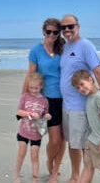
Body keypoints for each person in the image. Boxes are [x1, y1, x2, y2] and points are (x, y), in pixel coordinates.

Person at [60, 14, 100, 183]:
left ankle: (82, 177)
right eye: (64, 28)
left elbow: (98, 72)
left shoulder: (86, 46)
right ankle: (76, 176)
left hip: (79, 107)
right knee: (73, 144)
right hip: (67, 106)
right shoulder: (67, 47)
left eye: (71, 26)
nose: (67, 30)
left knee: (83, 147)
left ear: (78, 26)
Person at [22, 18, 66, 183]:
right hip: (47, 100)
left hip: (67, 99)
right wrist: (25, 97)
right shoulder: (36, 50)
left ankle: (55, 171)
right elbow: (30, 75)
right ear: (43, 32)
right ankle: (49, 161)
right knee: (54, 139)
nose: (52, 35)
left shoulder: (64, 48)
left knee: (63, 139)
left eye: (56, 32)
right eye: (49, 32)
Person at [71, 70, 100, 183]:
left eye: (82, 84)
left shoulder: (99, 98)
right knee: (88, 166)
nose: (81, 89)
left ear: (90, 80)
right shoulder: (89, 97)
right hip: (92, 139)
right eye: (78, 88)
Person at [15, 72, 52, 183]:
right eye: (31, 88)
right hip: (23, 132)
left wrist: (47, 116)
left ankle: (34, 179)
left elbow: (45, 114)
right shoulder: (25, 96)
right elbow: (19, 112)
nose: (33, 90)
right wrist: (30, 114)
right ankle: (17, 175)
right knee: (21, 153)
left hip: (36, 134)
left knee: (34, 156)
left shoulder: (44, 100)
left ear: (41, 86)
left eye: (36, 88)